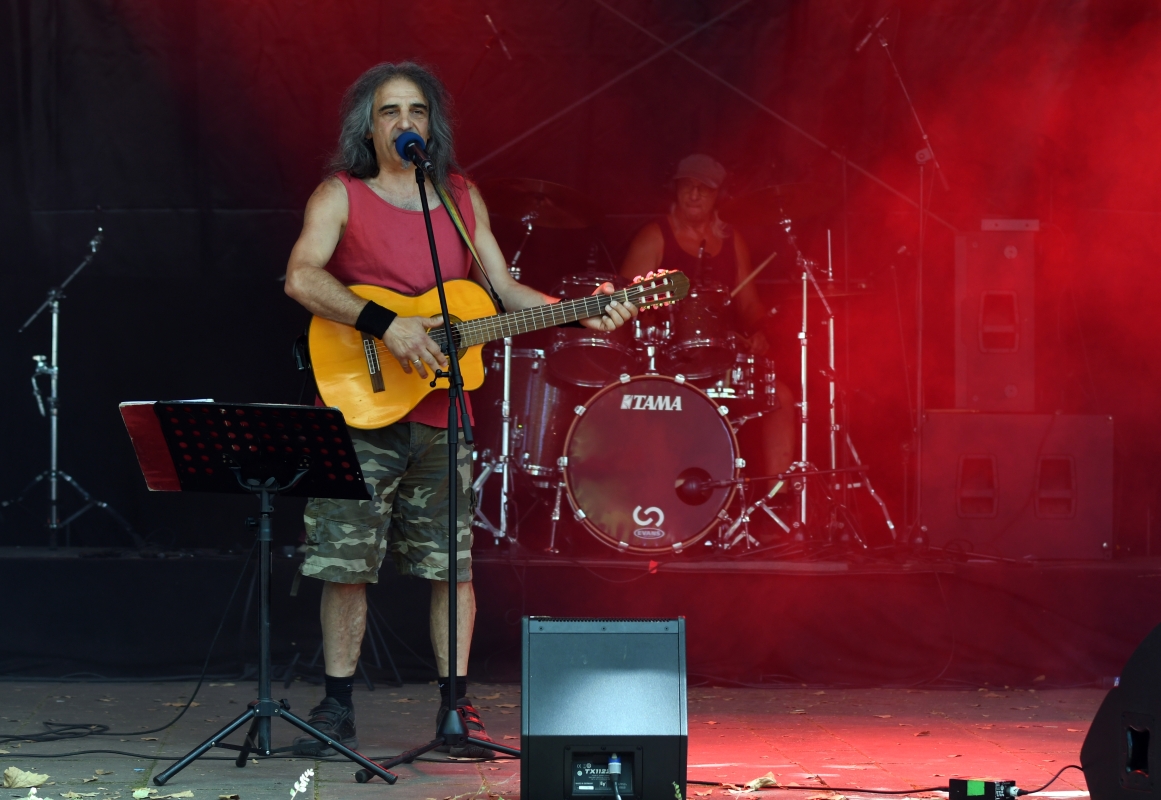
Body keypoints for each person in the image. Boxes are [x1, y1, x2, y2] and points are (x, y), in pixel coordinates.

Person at [283, 61, 636, 757]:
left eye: (416, 110)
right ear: (368, 127)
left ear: (432, 123)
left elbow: (500, 291)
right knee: (345, 563)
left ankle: (456, 709)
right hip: (358, 411)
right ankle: (336, 707)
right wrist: (388, 325)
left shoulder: (460, 198)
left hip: (444, 415)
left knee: (453, 565)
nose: (404, 122)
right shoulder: (339, 194)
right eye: (389, 111)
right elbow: (300, 277)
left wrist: (578, 312)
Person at [620, 154, 796, 480]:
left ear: (718, 195)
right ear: (676, 190)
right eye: (687, 186)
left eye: (703, 188)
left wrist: (760, 331)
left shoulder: (731, 241)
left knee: (780, 398)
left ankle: (776, 500)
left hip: (723, 361)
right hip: (668, 362)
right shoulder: (655, 236)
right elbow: (624, 306)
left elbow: (750, 306)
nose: (694, 194)